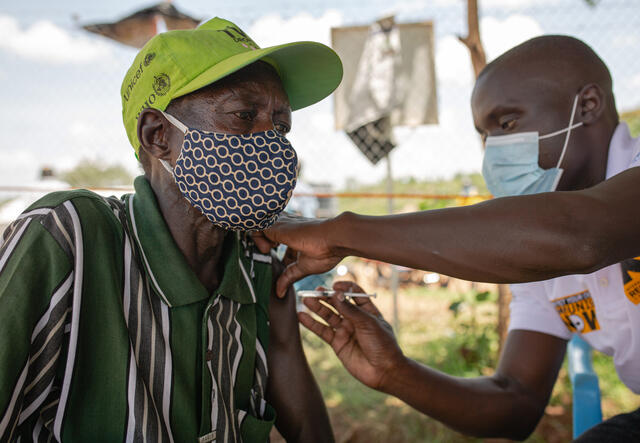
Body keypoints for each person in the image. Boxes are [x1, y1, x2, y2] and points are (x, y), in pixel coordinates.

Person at [254, 36, 640, 441]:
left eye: (507, 124)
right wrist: (395, 372)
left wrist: (340, 233)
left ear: (588, 105)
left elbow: (579, 237)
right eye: (485, 135)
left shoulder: (566, 229)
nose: (493, 151)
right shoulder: (538, 250)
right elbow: (516, 401)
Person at [0, 17, 342, 442]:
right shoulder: (68, 237)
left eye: (280, 125)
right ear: (158, 135)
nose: (271, 142)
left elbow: (300, 410)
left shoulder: (255, 262)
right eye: (244, 115)